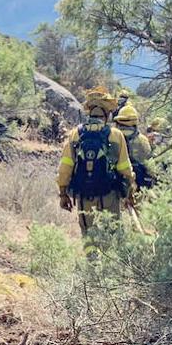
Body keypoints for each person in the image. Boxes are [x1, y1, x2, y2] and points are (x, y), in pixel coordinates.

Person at [57, 87, 135, 235]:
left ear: (90, 111)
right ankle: (112, 257)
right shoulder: (116, 135)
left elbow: (65, 168)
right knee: (113, 233)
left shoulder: (75, 134)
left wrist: (63, 194)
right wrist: (130, 192)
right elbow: (125, 169)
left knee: (88, 234)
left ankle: (92, 257)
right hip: (110, 193)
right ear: (107, 114)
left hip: (84, 193)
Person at [114, 104, 155, 192]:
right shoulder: (143, 140)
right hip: (138, 187)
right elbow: (149, 164)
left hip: (115, 187)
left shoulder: (112, 137)